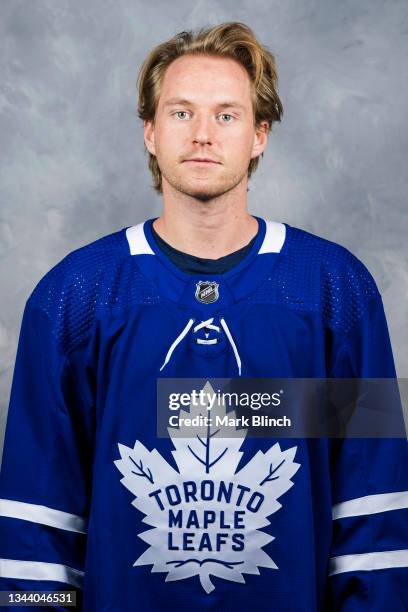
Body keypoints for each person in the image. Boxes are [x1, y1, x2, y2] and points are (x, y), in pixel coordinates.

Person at [0, 21, 407, 612]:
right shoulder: (74, 296)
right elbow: (40, 524)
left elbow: (372, 508)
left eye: (227, 114)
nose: (202, 135)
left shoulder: (337, 292)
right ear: (150, 131)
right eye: (181, 112)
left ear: (259, 135)